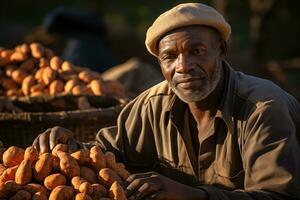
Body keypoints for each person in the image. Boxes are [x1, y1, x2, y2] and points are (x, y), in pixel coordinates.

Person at [33, 3, 300, 200]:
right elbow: (108, 154)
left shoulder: (262, 107)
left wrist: (191, 195)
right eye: (170, 57)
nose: (183, 66)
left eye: (196, 51)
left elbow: (280, 196)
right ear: (160, 62)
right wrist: (72, 145)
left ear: (221, 50)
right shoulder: (151, 105)